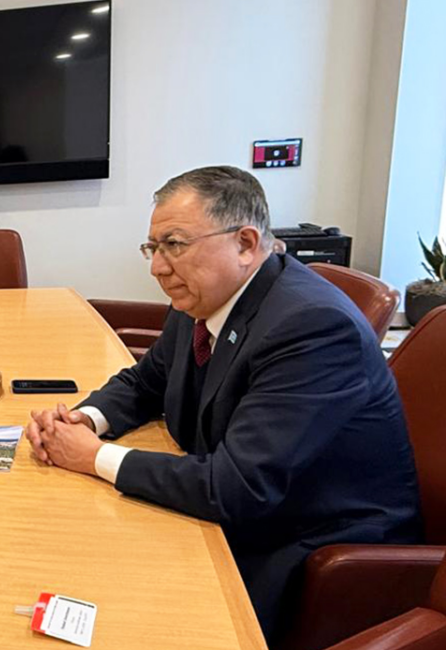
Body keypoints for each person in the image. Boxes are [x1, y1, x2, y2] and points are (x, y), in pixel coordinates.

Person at [25, 166, 421, 642]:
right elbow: (146, 382)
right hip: (238, 508)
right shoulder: (203, 298)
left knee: (114, 599)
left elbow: (238, 488)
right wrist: (84, 420)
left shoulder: (312, 327)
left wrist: (92, 457)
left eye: (174, 245)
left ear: (245, 243)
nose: (157, 268)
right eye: (153, 248)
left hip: (312, 550)